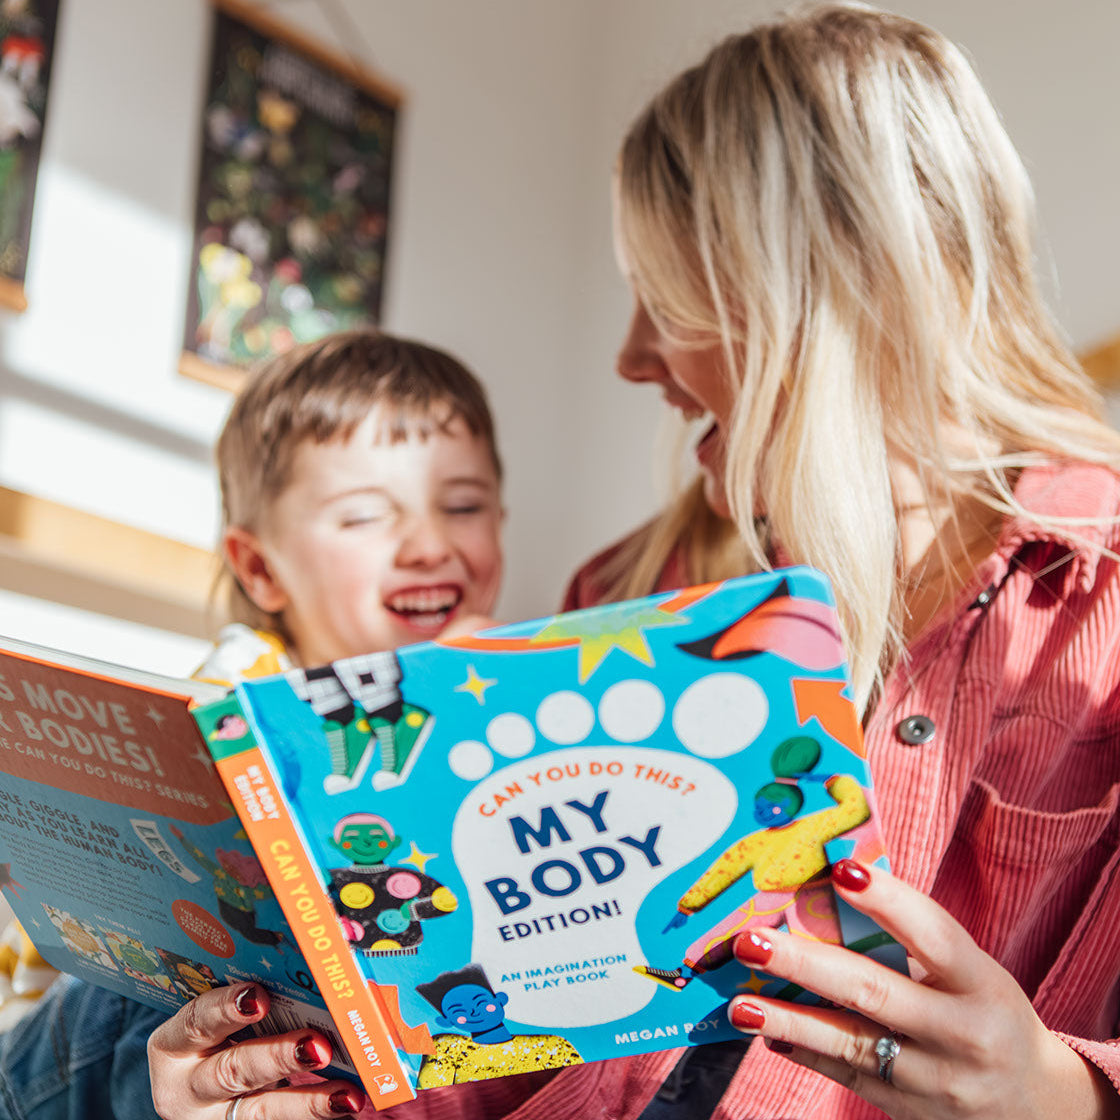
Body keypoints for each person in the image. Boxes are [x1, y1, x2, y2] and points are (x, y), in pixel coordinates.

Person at [154, 6, 1120, 1120]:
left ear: (832, 285)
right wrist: (297, 1095)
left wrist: (1060, 1096)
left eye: (666, 296)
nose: (628, 357)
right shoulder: (627, 592)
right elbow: (491, 1041)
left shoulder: (1088, 615)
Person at [0, 328, 510, 1119]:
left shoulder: (494, 695)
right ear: (262, 568)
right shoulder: (245, 685)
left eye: (465, 506)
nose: (429, 545)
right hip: (70, 1057)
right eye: (366, 517)